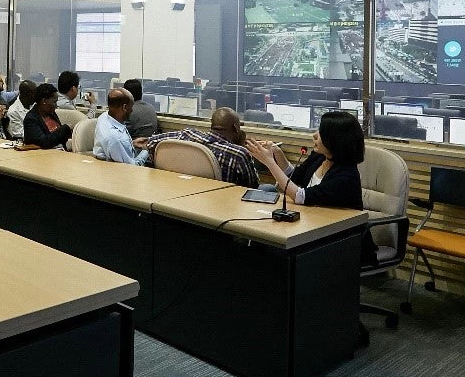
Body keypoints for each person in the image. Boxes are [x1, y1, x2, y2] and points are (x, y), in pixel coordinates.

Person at [245, 111, 378, 265]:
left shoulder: (346, 175)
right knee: (263, 240)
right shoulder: (320, 157)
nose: (315, 135)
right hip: (312, 227)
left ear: (334, 140)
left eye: (321, 133)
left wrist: (269, 163)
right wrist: (277, 153)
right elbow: (294, 178)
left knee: (275, 251)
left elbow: (300, 196)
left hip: (340, 240)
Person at [139, 108, 259, 188]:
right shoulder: (238, 153)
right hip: (222, 205)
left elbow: (150, 142)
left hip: (183, 193)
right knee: (268, 188)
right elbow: (253, 187)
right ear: (236, 127)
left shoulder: (188, 134)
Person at [94, 89, 149, 165]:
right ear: (124, 107)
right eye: (131, 106)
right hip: (121, 172)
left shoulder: (103, 117)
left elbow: (114, 148)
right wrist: (147, 151)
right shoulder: (116, 138)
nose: (132, 110)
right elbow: (132, 167)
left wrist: (131, 144)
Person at [23, 83, 72, 150]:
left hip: (60, 152)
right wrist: (65, 128)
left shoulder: (51, 114)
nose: (56, 105)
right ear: (44, 101)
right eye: (54, 102)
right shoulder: (31, 119)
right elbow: (44, 142)